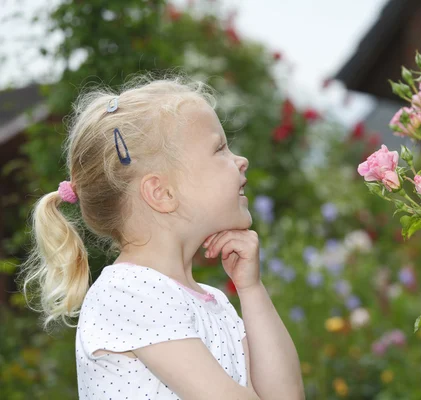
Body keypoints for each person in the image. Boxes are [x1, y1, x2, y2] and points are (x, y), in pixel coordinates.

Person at [18, 76, 305, 400]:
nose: (241, 161)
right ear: (162, 192)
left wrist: (251, 289)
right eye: (220, 148)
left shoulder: (213, 303)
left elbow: (287, 395)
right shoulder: (128, 294)